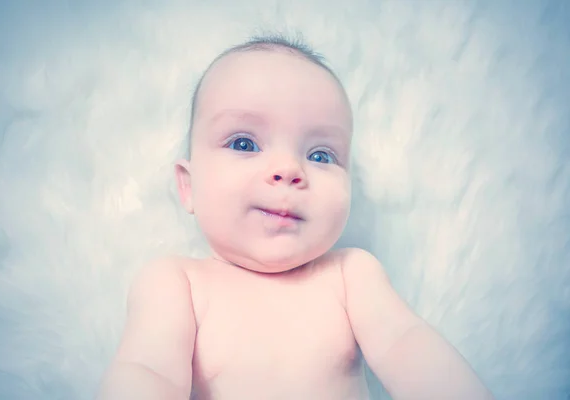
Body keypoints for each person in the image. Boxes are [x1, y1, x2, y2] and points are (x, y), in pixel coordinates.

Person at [97, 34, 494, 400]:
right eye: (244, 143)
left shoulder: (350, 275)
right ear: (188, 185)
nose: (288, 169)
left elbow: (408, 345)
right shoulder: (176, 282)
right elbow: (148, 372)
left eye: (320, 155)